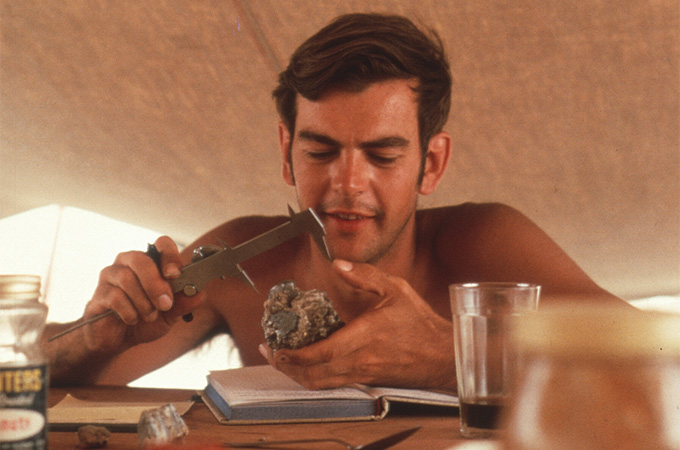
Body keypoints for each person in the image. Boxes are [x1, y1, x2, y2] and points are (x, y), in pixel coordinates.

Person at [45, 13, 625, 391]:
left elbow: (658, 356)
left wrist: (448, 355)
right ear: (285, 150)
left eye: (382, 155)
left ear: (432, 163)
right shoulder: (241, 258)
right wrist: (94, 336)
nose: (347, 183)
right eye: (320, 150)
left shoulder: (485, 244)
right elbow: (29, 386)